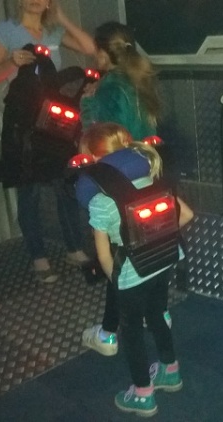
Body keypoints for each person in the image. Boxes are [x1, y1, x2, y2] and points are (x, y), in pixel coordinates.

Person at [79, 122, 194, 417]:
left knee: (131, 333)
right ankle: (170, 371)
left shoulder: (100, 201)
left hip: (131, 275)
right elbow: (186, 214)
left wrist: (116, 281)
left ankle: (143, 394)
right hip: (164, 259)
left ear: (96, 160)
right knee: (156, 314)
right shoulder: (153, 179)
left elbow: (103, 254)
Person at [0, 0, 97, 283]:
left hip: (54, 121)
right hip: (22, 123)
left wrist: (63, 18)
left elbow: (89, 48)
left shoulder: (52, 31)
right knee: (29, 188)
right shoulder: (5, 30)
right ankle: (38, 256)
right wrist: (11, 62)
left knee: (65, 184)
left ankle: (74, 248)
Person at [76, 21, 171, 356]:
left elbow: (99, 138)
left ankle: (108, 334)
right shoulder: (139, 79)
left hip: (118, 180)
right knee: (150, 246)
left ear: (104, 53)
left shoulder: (107, 87)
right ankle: (158, 313)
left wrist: (87, 103)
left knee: (119, 256)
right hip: (148, 172)